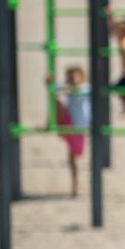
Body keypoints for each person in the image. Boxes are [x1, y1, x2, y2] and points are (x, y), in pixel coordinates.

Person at [47, 65, 90, 197]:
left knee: (72, 158)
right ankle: (75, 186)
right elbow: (55, 88)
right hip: (69, 124)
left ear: (82, 78)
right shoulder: (69, 88)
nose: (74, 79)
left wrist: (60, 86)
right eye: (71, 77)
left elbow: (76, 88)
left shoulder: (85, 88)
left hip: (79, 129)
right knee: (57, 102)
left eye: (76, 76)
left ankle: (75, 184)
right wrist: (50, 83)